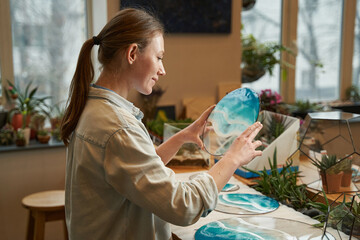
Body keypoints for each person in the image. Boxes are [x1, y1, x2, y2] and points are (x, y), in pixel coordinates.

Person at [60, 8, 263, 240]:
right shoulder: (118, 128)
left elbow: (134, 173)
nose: (162, 70)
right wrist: (233, 158)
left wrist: (181, 137)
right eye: (159, 57)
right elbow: (182, 206)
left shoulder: (95, 108)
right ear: (133, 53)